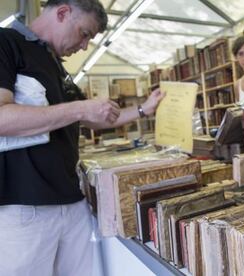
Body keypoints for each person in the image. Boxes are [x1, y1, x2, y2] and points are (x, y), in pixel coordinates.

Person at [0, 1, 164, 275]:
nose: (85, 46)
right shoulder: (7, 42)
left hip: (72, 202)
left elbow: (93, 119)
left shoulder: (55, 64)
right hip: (25, 208)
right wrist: (79, 107)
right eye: (85, 33)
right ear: (63, 12)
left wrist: (143, 109)